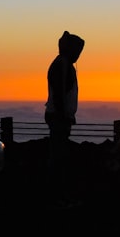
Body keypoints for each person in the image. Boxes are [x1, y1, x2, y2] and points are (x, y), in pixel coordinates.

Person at [44, 30, 85, 207]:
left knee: (59, 157)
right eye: (77, 51)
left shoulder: (63, 64)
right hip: (59, 118)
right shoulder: (62, 65)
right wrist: (63, 116)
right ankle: (57, 197)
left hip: (60, 117)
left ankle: (58, 195)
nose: (78, 55)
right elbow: (60, 94)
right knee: (58, 159)